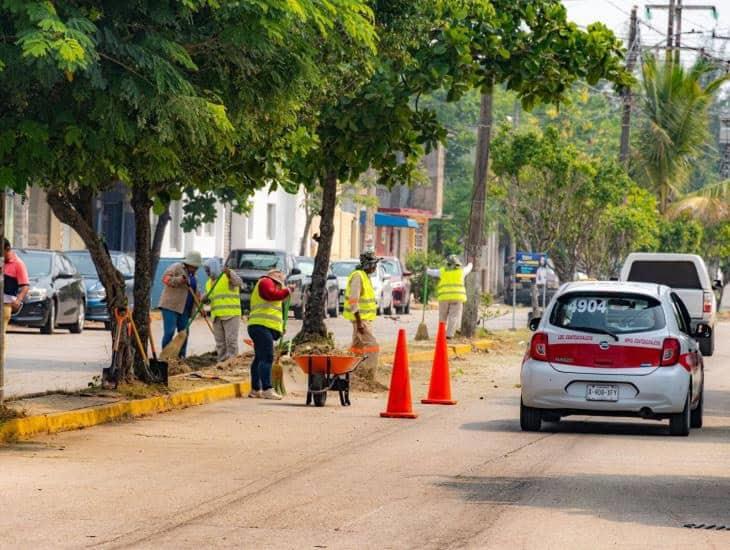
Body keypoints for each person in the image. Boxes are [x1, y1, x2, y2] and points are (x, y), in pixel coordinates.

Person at [247, 269, 290, 400]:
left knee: (259, 358)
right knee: (267, 357)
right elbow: (270, 294)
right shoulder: (265, 281)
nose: (280, 285)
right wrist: (286, 291)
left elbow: (275, 310)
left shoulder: (269, 284)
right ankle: (267, 389)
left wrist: (280, 327)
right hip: (261, 326)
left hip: (260, 326)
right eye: (280, 281)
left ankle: (255, 389)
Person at [158, 250, 202, 358]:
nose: (196, 268)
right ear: (189, 263)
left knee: (184, 333)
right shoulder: (177, 267)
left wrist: (200, 307)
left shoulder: (194, 277)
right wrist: (179, 280)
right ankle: (165, 357)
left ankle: (181, 357)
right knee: (170, 332)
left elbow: (196, 293)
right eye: (195, 266)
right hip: (171, 306)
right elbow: (165, 279)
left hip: (185, 310)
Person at [344, 251, 380, 377]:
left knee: (356, 349)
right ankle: (368, 376)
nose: (375, 268)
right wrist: (359, 322)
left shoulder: (365, 276)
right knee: (373, 347)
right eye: (374, 265)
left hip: (365, 320)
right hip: (361, 320)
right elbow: (353, 300)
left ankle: (349, 374)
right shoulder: (358, 276)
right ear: (367, 265)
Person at [203, 258, 243, 362]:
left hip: (231, 314)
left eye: (208, 270)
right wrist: (205, 299)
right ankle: (221, 363)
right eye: (205, 271)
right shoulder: (208, 283)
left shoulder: (226, 276)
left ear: (214, 268)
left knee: (231, 341)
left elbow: (239, 282)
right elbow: (211, 298)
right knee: (220, 343)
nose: (207, 273)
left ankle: (231, 362)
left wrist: (229, 273)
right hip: (217, 316)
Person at [428, 254, 473, 339]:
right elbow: (468, 268)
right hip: (457, 298)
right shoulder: (461, 272)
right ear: (458, 264)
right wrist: (470, 263)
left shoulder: (442, 271)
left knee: (442, 316)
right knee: (454, 316)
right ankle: (449, 335)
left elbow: (432, 272)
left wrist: (426, 270)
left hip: (444, 298)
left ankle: (441, 334)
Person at [3, 239, 29, 336]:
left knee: (1, 333)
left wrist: (18, 300)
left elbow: (25, 285)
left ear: (7, 249)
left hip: (6, 304)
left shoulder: (18, 264)